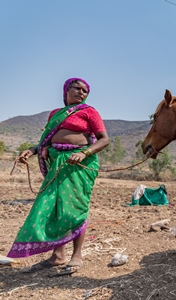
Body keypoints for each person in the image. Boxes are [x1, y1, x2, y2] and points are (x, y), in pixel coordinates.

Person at [7, 77, 110, 276]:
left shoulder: (89, 112)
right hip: (58, 164)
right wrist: (33, 150)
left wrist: (84, 153)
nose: (82, 92)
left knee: (74, 208)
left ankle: (77, 255)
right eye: (77, 88)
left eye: (85, 90)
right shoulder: (55, 114)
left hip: (79, 164)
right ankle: (58, 256)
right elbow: (47, 141)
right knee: (54, 208)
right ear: (66, 90)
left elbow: (104, 140)